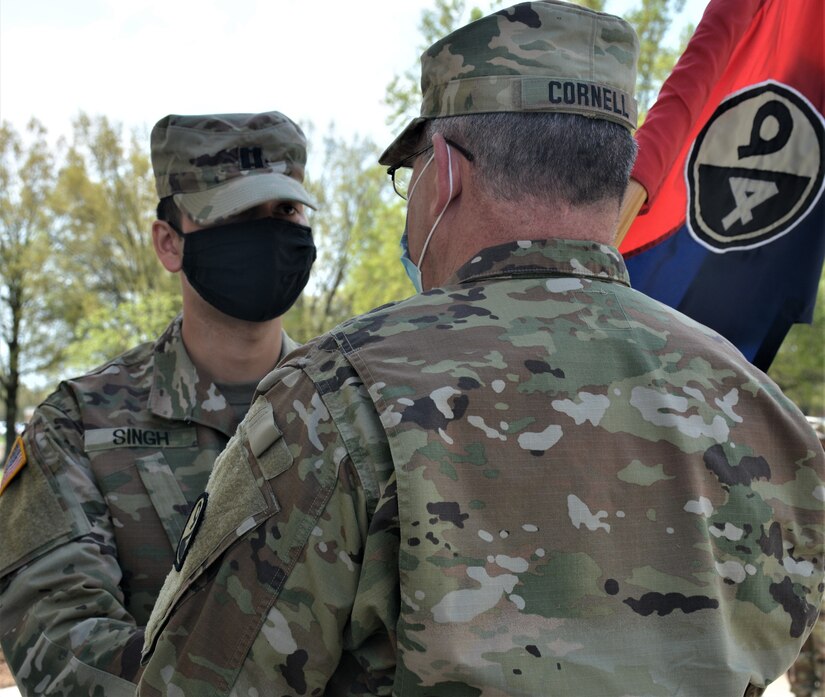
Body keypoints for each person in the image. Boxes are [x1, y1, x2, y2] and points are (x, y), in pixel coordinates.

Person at [137, 3, 825, 695]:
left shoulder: (337, 397)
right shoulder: (764, 415)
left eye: (408, 178)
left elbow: (194, 681)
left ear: (444, 171)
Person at [0, 110, 317, 696]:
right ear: (169, 243)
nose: (270, 235)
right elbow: (60, 648)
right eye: (237, 216)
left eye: (285, 212)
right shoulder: (73, 429)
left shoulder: (356, 405)